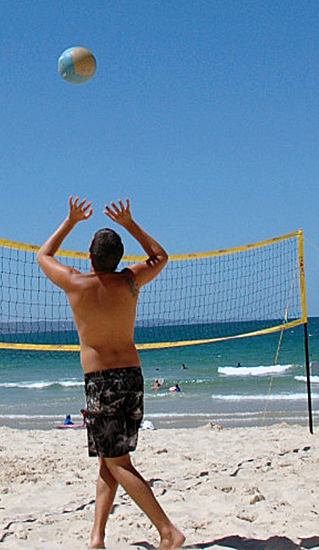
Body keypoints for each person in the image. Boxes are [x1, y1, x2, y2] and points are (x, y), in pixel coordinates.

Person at [37, 197, 185, 550]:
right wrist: (130, 223)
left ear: (89, 256)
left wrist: (71, 220)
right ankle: (97, 537)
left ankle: (168, 532)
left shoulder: (77, 283)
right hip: (132, 378)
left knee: (118, 462)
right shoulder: (130, 280)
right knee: (109, 459)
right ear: (120, 258)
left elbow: (43, 255)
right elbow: (160, 256)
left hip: (102, 382)